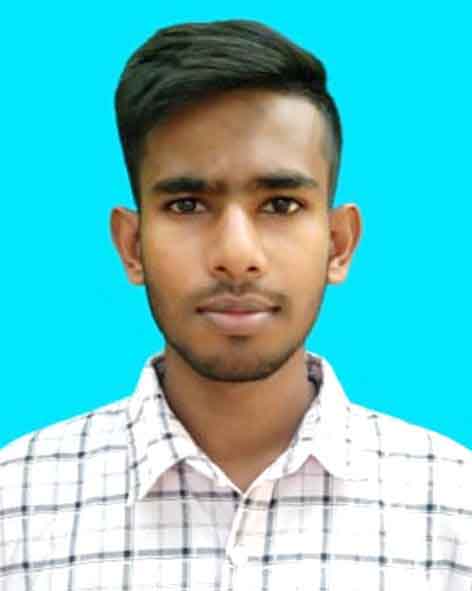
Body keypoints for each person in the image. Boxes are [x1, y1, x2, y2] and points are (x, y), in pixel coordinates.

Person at [0, 19, 470, 591]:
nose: (236, 256)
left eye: (280, 204)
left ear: (339, 244)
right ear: (132, 246)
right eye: (188, 204)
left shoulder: (455, 510)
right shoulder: (15, 506)